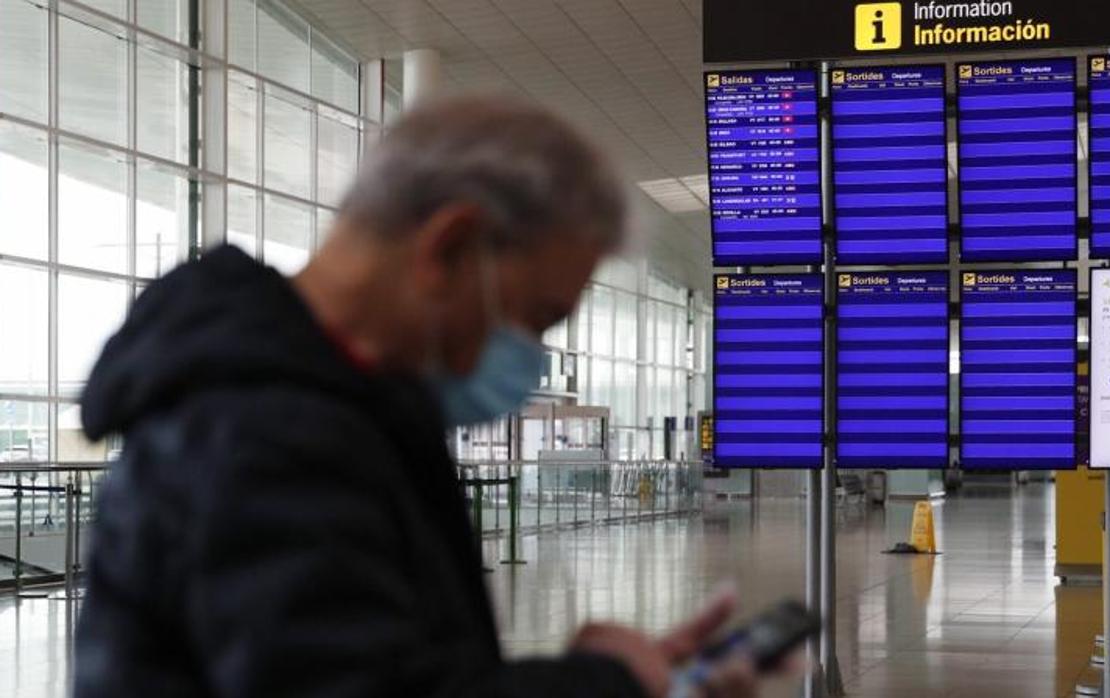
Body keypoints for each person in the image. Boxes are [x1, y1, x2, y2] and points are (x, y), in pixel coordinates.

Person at [73, 96, 762, 697]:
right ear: (448, 246)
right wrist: (604, 683)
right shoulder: (261, 432)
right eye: (539, 316)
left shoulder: (339, 410)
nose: (534, 352)